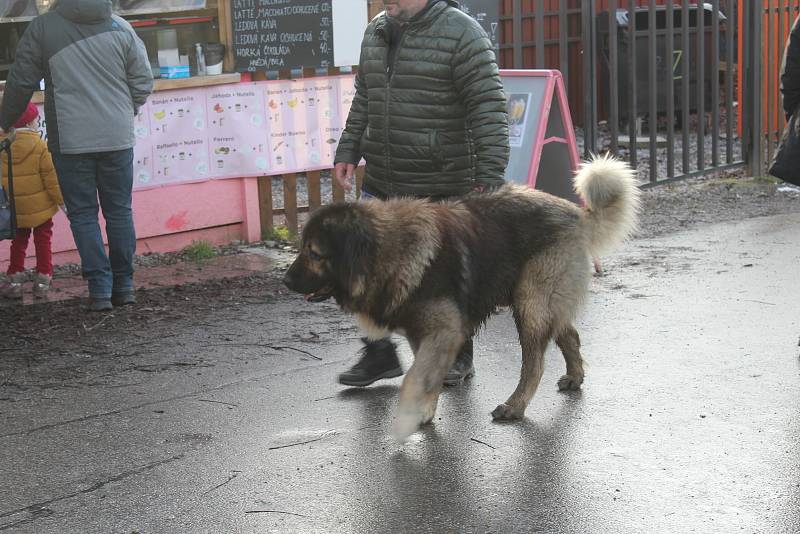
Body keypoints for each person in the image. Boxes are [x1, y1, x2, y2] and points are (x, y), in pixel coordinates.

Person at [333, 0, 510, 387]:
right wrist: (349, 148)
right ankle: (378, 353)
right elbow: (366, 97)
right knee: (358, 265)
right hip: (381, 180)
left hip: (441, 181)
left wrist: (490, 175)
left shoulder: (463, 33)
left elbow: (489, 106)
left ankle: (458, 356)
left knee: (445, 278)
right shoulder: (376, 31)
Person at [0, 0, 153, 311]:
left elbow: (21, 81)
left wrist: (4, 122)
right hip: (117, 137)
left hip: (70, 140)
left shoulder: (43, 27)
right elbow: (143, 81)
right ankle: (124, 286)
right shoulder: (121, 27)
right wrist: (124, 112)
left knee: (83, 215)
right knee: (119, 211)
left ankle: (100, 289)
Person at [0, 103, 63, 300]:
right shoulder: (41, 146)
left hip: (14, 209)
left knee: (18, 242)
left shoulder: (2, 147)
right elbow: (51, 179)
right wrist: (62, 202)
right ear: (30, 122)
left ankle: (14, 279)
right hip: (41, 209)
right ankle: (43, 279)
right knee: (43, 240)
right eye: (36, 119)